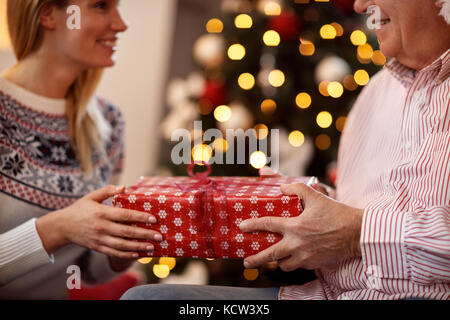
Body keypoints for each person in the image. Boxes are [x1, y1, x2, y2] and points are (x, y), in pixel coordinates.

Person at [121, 0, 450, 300]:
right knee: (148, 300)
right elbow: (359, 207)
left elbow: (357, 225)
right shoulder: (375, 92)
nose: (362, 4)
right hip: (321, 295)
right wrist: (302, 205)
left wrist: (355, 232)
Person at [0, 0, 163, 299]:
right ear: (47, 13)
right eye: (101, 6)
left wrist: (125, 244)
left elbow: (88, 270)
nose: (120, 24)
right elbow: (65, 230)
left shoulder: (109, 122)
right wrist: (58, 228)